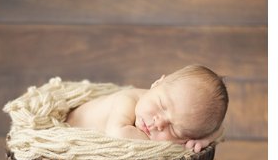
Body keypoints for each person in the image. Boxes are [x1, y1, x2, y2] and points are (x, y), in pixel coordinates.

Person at [65, 65, 227, 153]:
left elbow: (219, 130)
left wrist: (205, 139)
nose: (159, 123)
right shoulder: (127, 100)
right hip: (67, 125)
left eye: (175, 129)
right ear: (156, 83)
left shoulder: (161, 108)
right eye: (162, 106)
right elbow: (117, 135)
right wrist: (176, 145)